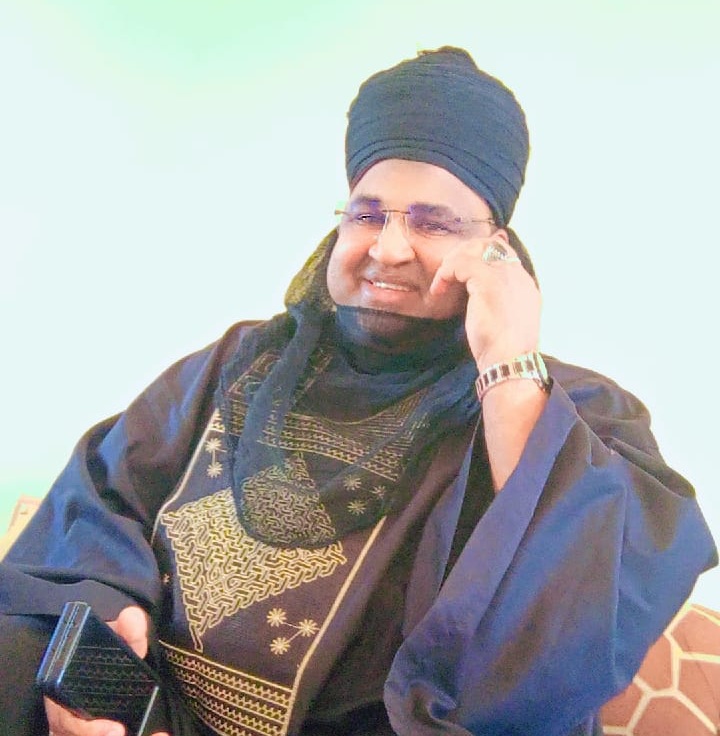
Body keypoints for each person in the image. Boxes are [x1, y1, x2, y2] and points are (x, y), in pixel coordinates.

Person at [0, 46, 716, 736]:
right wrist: (101, 623)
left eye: (434, 223)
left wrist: (507, 371)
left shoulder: (574, 408)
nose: (388, 248)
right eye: (368, 214)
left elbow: (584, 615)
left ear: (497, 246)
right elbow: (100, 499)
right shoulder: (240, 362)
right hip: (160, 709)